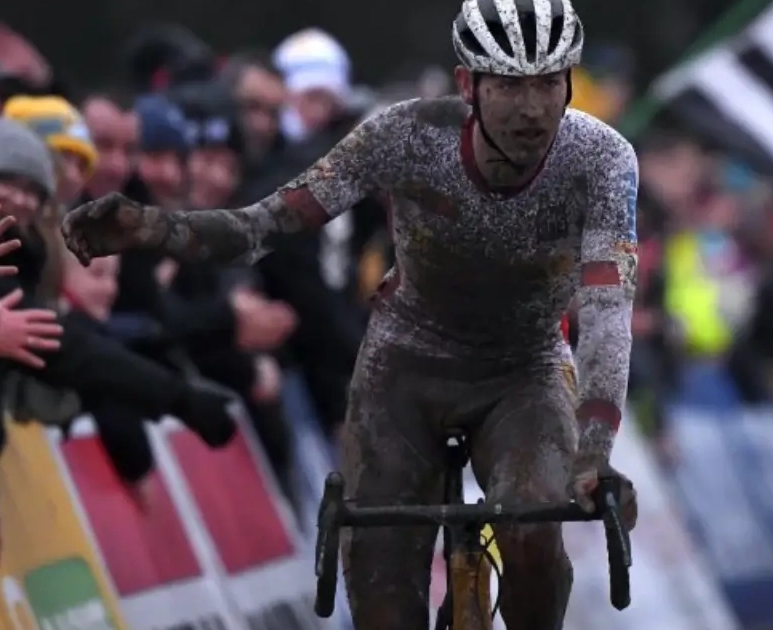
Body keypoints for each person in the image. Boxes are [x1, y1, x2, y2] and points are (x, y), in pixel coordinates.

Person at [63, 1, 638, 628]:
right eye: (509, 86)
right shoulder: (405, 136)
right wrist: (151, 227)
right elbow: (263, 226)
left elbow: (608, 310)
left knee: (532, 528)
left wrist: (594, 451)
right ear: (467, 84)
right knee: (382, 591)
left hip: (524, 371)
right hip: (407, 366)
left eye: (548, 84)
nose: (531, 110)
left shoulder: (601, 159)